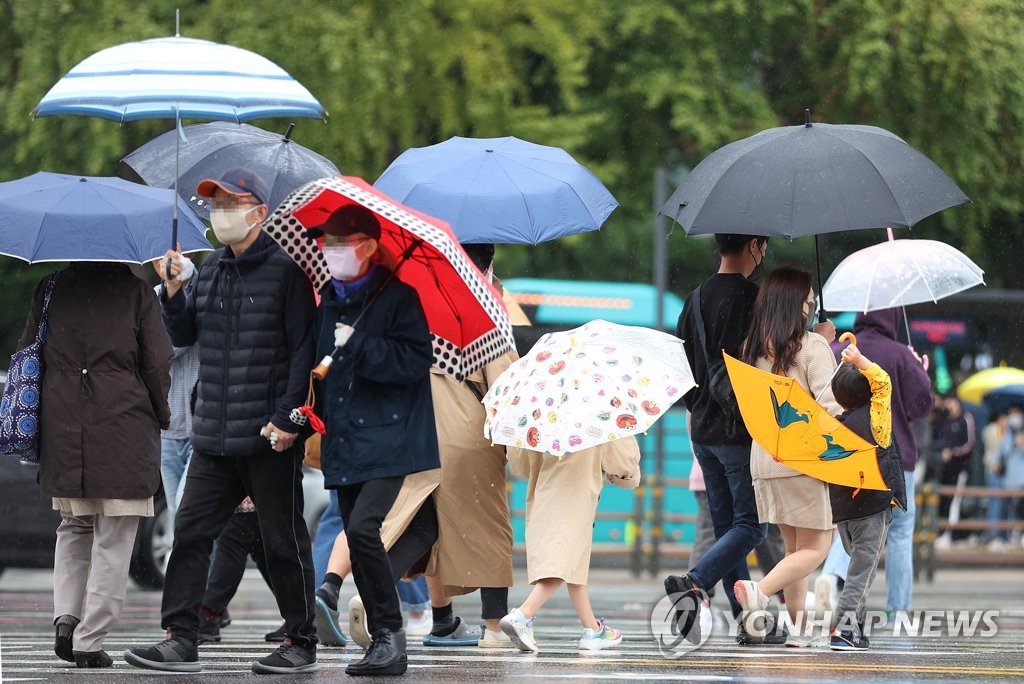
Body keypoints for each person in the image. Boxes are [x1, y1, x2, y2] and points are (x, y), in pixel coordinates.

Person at [125, 168, 319, 675]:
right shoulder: (209, 269)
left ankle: (301, 639)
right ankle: (180, 636)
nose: (221, 212)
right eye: (215, 203)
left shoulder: (287, 273)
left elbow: (304, 351)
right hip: (212, 432)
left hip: (268, 438)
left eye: (231, 202)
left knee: (283, 542)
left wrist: (289, 418)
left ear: (259, 212)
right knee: (189, 535)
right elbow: (186, 332)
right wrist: (172, 293)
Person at [310, 203, 440, 676]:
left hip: (392, 438)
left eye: (341, 244)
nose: (331, 252)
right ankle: (382, 641)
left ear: (366, 247)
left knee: (364, 529)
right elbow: (322, 360)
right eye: (327, 244)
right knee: (356, 531)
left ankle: (391, 635)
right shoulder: (330, 298)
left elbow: (413, 363)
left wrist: (362, 343)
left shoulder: (399, 298)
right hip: (343, 439)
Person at [20, 262, 171, 668]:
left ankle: (66, 619)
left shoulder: (50, 288)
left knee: (73, 526)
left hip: (63, 428)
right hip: (124, 426)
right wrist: (162, 414)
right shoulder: (136, 293)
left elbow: (30, 350)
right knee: (115, 536)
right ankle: (90, 639)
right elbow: (157, 363)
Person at [663, 233, 770, 639]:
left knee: (730, 530)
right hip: (738, 430)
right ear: (754, 245)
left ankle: (749, 622)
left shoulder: (693, 299)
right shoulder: (754, 298)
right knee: (753, 527)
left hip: (702, 431)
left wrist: (701, 406)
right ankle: (694, 580)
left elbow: (683, 365)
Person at [733, 266, 838, 648]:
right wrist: (828, 349)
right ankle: (759, 591)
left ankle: (798, 630)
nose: (812, 304)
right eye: (809, 299)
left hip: (764, 458)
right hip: (804, 459)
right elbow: (829, 407)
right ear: (797, 304)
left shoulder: (753, 348)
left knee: (795, 551)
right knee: (816, 548)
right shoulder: (812, 348)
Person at [420, 242, 517, 649]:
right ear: (489, 262)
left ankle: (436, 618)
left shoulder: (426, 300)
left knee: (427, 526)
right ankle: (494, 628)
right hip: (468, 431)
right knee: (490, 527)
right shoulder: (487, 307)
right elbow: (505, 383)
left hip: (420, 427)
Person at [815, 308, 934, 618]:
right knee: (897, 533)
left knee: (854, 525)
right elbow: (923, 405)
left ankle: (832, 577)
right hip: (894, 458)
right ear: (893, 317)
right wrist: (918, 369)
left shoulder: (841, 349)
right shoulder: (898, 354)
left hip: (845, 459)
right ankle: (898, 609)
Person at [499, 439, 641, 652]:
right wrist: (625, 475)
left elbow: (520, 464)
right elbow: (623, 461)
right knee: (562, 563)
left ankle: (592, 628)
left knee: (573, 562)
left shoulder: (540, 410)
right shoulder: (597, 411)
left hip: (544, 491)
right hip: (576, 495)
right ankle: (523, 615)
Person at [826, 342, 907, 651]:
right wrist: (860, 360)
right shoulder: (877, 419)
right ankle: (843, 628)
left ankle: (856, 628)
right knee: (863, 571)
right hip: (872, 509)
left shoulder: (834, 426)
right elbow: (883, 381)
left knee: (856, 569)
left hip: (844, 512)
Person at [152, 256, 200, 523]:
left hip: (200, 427)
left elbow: (175, 344)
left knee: (188, 513)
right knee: (176, 516)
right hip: (166, 429)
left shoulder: (204, 292)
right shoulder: (150, 299)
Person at [931, 394, 976, 546]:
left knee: (954, 500)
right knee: (943, 499)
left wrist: (953, 452)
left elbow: (969, 444)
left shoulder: (965, 418)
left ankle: (950, 533)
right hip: (944, 468)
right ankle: (942, 532)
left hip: (960, 467)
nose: (949, 405)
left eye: (951, 401)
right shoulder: (943, 421)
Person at [995, 405, 1024, 544]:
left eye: (1016, 413)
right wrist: (995, 464)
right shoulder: (1007, 435)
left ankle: (1019, 535)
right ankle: (1008, 536)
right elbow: (999, 455)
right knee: (1008, 512)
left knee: (1020, 511)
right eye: (1011, 413)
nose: (1014, 416)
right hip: (1008, 482)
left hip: (1021, 482)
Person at [981, 411, 1008, 546]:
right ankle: (992, 534)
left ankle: (999, 533)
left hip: (1004, 472)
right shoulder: (991, 429)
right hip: (992, 470)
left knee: (1002, 503)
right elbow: (997, 446)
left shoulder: (1005, 431)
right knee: (995, 501)